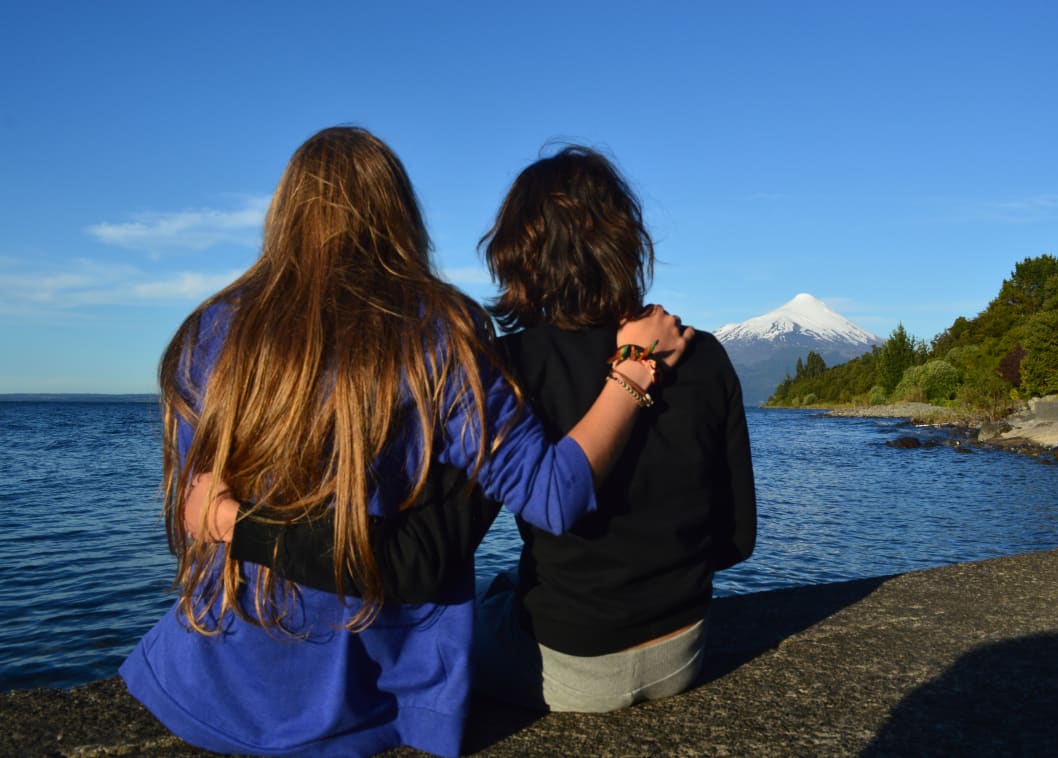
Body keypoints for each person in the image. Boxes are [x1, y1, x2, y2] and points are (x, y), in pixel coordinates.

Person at [119, 127, 691, 758]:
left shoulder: (207, 330)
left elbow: (197, 511)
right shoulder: (440, 332)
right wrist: (634, 368)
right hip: (359, 698)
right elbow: (555, 495)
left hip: (206, 681)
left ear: (285, 214)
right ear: (399, 213)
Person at [221, 144, 756, 715]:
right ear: (626, 241)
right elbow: (736, 540)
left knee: (472, 605)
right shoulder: (704, 354)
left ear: (517, 255)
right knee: (502, 589)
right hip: (682, 652)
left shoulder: (506, 369)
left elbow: (437, 554)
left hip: (570, 669)